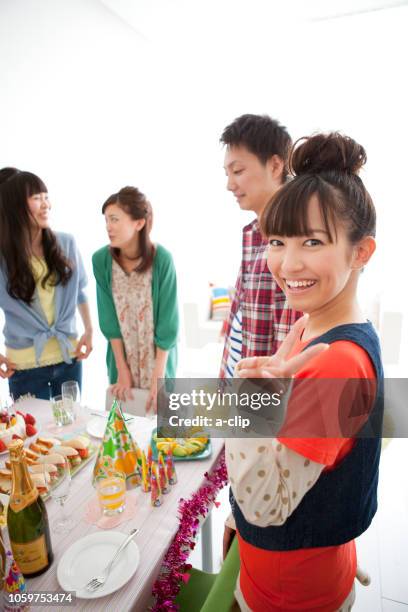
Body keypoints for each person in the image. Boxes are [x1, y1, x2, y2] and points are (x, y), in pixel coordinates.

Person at [224, 133, 382, 611]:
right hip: (308, 566)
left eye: (312, 241)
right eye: (277, 241)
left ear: (361, 253)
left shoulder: (336, 363)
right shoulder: (315, 322)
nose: (287, 264)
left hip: (291, 592)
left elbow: (265, 505)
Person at [219, 114, 302, 379]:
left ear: (276, 165)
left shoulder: (296, 234)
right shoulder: (254, 232)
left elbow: (291, 345)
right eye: (228, 173)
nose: (230, 185)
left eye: (238, 171)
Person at [0, 167, 93, 400]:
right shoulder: (3, 258)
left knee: (71, 430)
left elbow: (79, 291)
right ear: (16, 207)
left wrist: (89, 329)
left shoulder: (66, 243)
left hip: (68, 356)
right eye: (36, 198)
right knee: (35, 434)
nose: (46, 204)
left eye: (46, 197)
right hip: (24, 364)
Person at [92, 186, 178, 414]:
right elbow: (108, 319)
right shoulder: (101, 260)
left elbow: (169, 324)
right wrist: (122, 369)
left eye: (115, 219)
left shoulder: (162, 259)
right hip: (122, 356)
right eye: (106, 220)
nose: (108, 227)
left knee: (160, 425)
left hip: (158, 357)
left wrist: (158, 377)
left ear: (139, 223)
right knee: (124, 425)